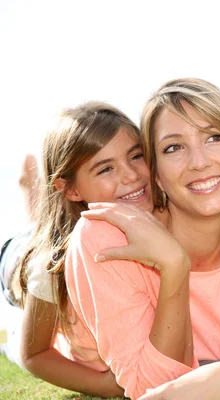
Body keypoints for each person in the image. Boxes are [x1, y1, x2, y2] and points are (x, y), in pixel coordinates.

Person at [63, 78, 220, 400]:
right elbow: (151, 389)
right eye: (174, 147)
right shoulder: (107, 236)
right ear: (156, 174)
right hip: (79, 341)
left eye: (214, 137)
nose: (199, 162)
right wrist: (174, 265)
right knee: (24, 275)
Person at [1, 102, 152, 397]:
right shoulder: (54, 263)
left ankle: (35, 200)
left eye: (136, 156)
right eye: (106, 168)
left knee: (44, 227)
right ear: (71, 189)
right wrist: (102, 385)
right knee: (33, 248)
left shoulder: (161, 211)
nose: (131, 175)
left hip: (66, 219)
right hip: (14, 261)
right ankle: (31, 195)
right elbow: (35, 354)